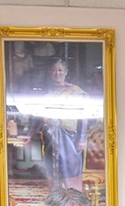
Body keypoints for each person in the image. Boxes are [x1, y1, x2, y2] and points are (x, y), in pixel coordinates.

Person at [26, 58, 88, 192]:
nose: (57, 73)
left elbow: (83, 116)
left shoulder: (75, 91)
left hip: (70, 138)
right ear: (50, 72)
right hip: (50, 137)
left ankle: (73, 200)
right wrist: (29, 134)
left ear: (66, 72)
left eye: (60, 70)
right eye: (54, 70)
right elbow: (37, 115)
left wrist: (82, 138)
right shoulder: (45, 93)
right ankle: (55, 200)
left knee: (69, 168)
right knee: (52, 169)